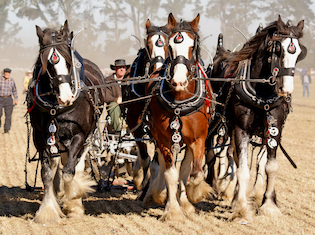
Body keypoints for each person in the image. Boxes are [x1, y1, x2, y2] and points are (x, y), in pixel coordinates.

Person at [104, 59, 130, 133]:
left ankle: (135, 130)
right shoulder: (108, 81)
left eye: (123, 67)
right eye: (119, 67)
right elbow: (106, 96)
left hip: (127, 105)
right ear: (115, 69)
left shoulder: (130, 80)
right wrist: (116, 100)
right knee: (113, 105)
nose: (122, 69)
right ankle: (117, 131)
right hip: (115, 107)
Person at [0, 68, 18, 133]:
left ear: (9, 74)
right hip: (0, 98)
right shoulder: (0, 79)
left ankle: (6, 129)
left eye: (8, 73)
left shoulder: (12, 80)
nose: (7, 74)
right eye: (5, 73)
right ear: (4, 73)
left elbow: (14, 90)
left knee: (8, 115)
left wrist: (16, 99)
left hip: (8, 99)